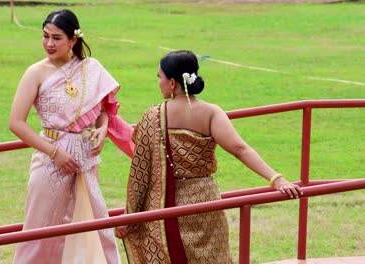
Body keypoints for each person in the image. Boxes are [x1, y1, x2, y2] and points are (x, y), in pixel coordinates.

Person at [114, 50, 303, 263]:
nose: (159, 83)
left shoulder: (153, 116)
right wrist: (276, 179)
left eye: (160, 77)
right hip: (206, 203)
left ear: (173, 82)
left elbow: (141, 171)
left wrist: (130, 215)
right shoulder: (211, 112)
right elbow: (240, 149)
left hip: (165, 208)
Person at [9, 9, 133, 264]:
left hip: (85, 159)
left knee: (95, 224)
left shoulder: (91, 68)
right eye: (45, 36)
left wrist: (102, 128)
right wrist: (55, 153)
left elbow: (101, 111)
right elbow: (16, 123)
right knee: (42, 230)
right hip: (50, 160)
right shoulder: (35, 72)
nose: (49, 44)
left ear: (73, 40)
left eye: (56, 38)